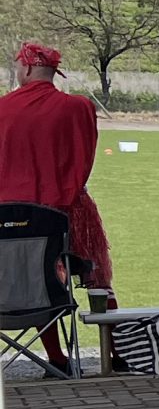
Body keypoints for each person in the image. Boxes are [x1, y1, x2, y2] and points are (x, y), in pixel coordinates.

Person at [0, 42, 113, 365]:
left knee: (31, 280)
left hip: (9, 222)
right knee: (97, 276)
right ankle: (116, 351)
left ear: (28, 68)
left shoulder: (3, 108)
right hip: (66, 214)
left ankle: (56, 357)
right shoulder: (78, 108)